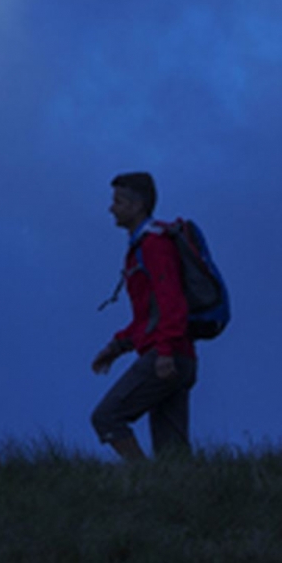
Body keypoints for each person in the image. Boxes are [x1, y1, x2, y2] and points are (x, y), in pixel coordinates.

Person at [90, 172, 199, 462]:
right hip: (178, 353)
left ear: (137, 206)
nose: (111, 208)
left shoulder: (154, 245)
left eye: (118, 201)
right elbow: (147, 315)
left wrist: (164, 351)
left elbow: (170, 300)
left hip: (166, 355)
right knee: (173, 450)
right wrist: (116, 347)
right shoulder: (143, 246)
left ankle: (144, 478)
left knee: (107, 417)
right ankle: (178, 495)